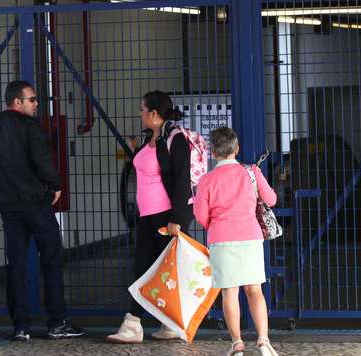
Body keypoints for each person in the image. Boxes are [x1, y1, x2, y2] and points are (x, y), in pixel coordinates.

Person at [0, 80, 84, 342]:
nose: (37, 104)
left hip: (8, 209)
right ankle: (56, 322)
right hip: (36, 205)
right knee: (51, 260)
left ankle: (20, 326)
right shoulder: (30, 127)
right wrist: (56, 185)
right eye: (32, 99)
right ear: (17, 102)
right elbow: (43, 161)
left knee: (16, 265)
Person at [107, 91, 193, 344]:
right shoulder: (150, 139)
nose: (140, 114)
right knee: (157, 270)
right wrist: (136, 150)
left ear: (154, 114)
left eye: (143, 109)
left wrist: (177, 218)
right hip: (148, 216)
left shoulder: (175, 140)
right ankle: (170, 322)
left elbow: (182, 180)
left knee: (147, 268)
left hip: (165, 217)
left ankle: (133, 324)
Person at [193, 127, 279, 356]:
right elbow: (272, 199)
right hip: (250, 237)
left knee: (229, 293)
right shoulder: (251, 172)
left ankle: (237, 344)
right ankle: (263, 341)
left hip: (221, 239)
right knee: (254, 290)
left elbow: (201, 215)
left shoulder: (207, 180)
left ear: (213, 152)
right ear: (237, 148)